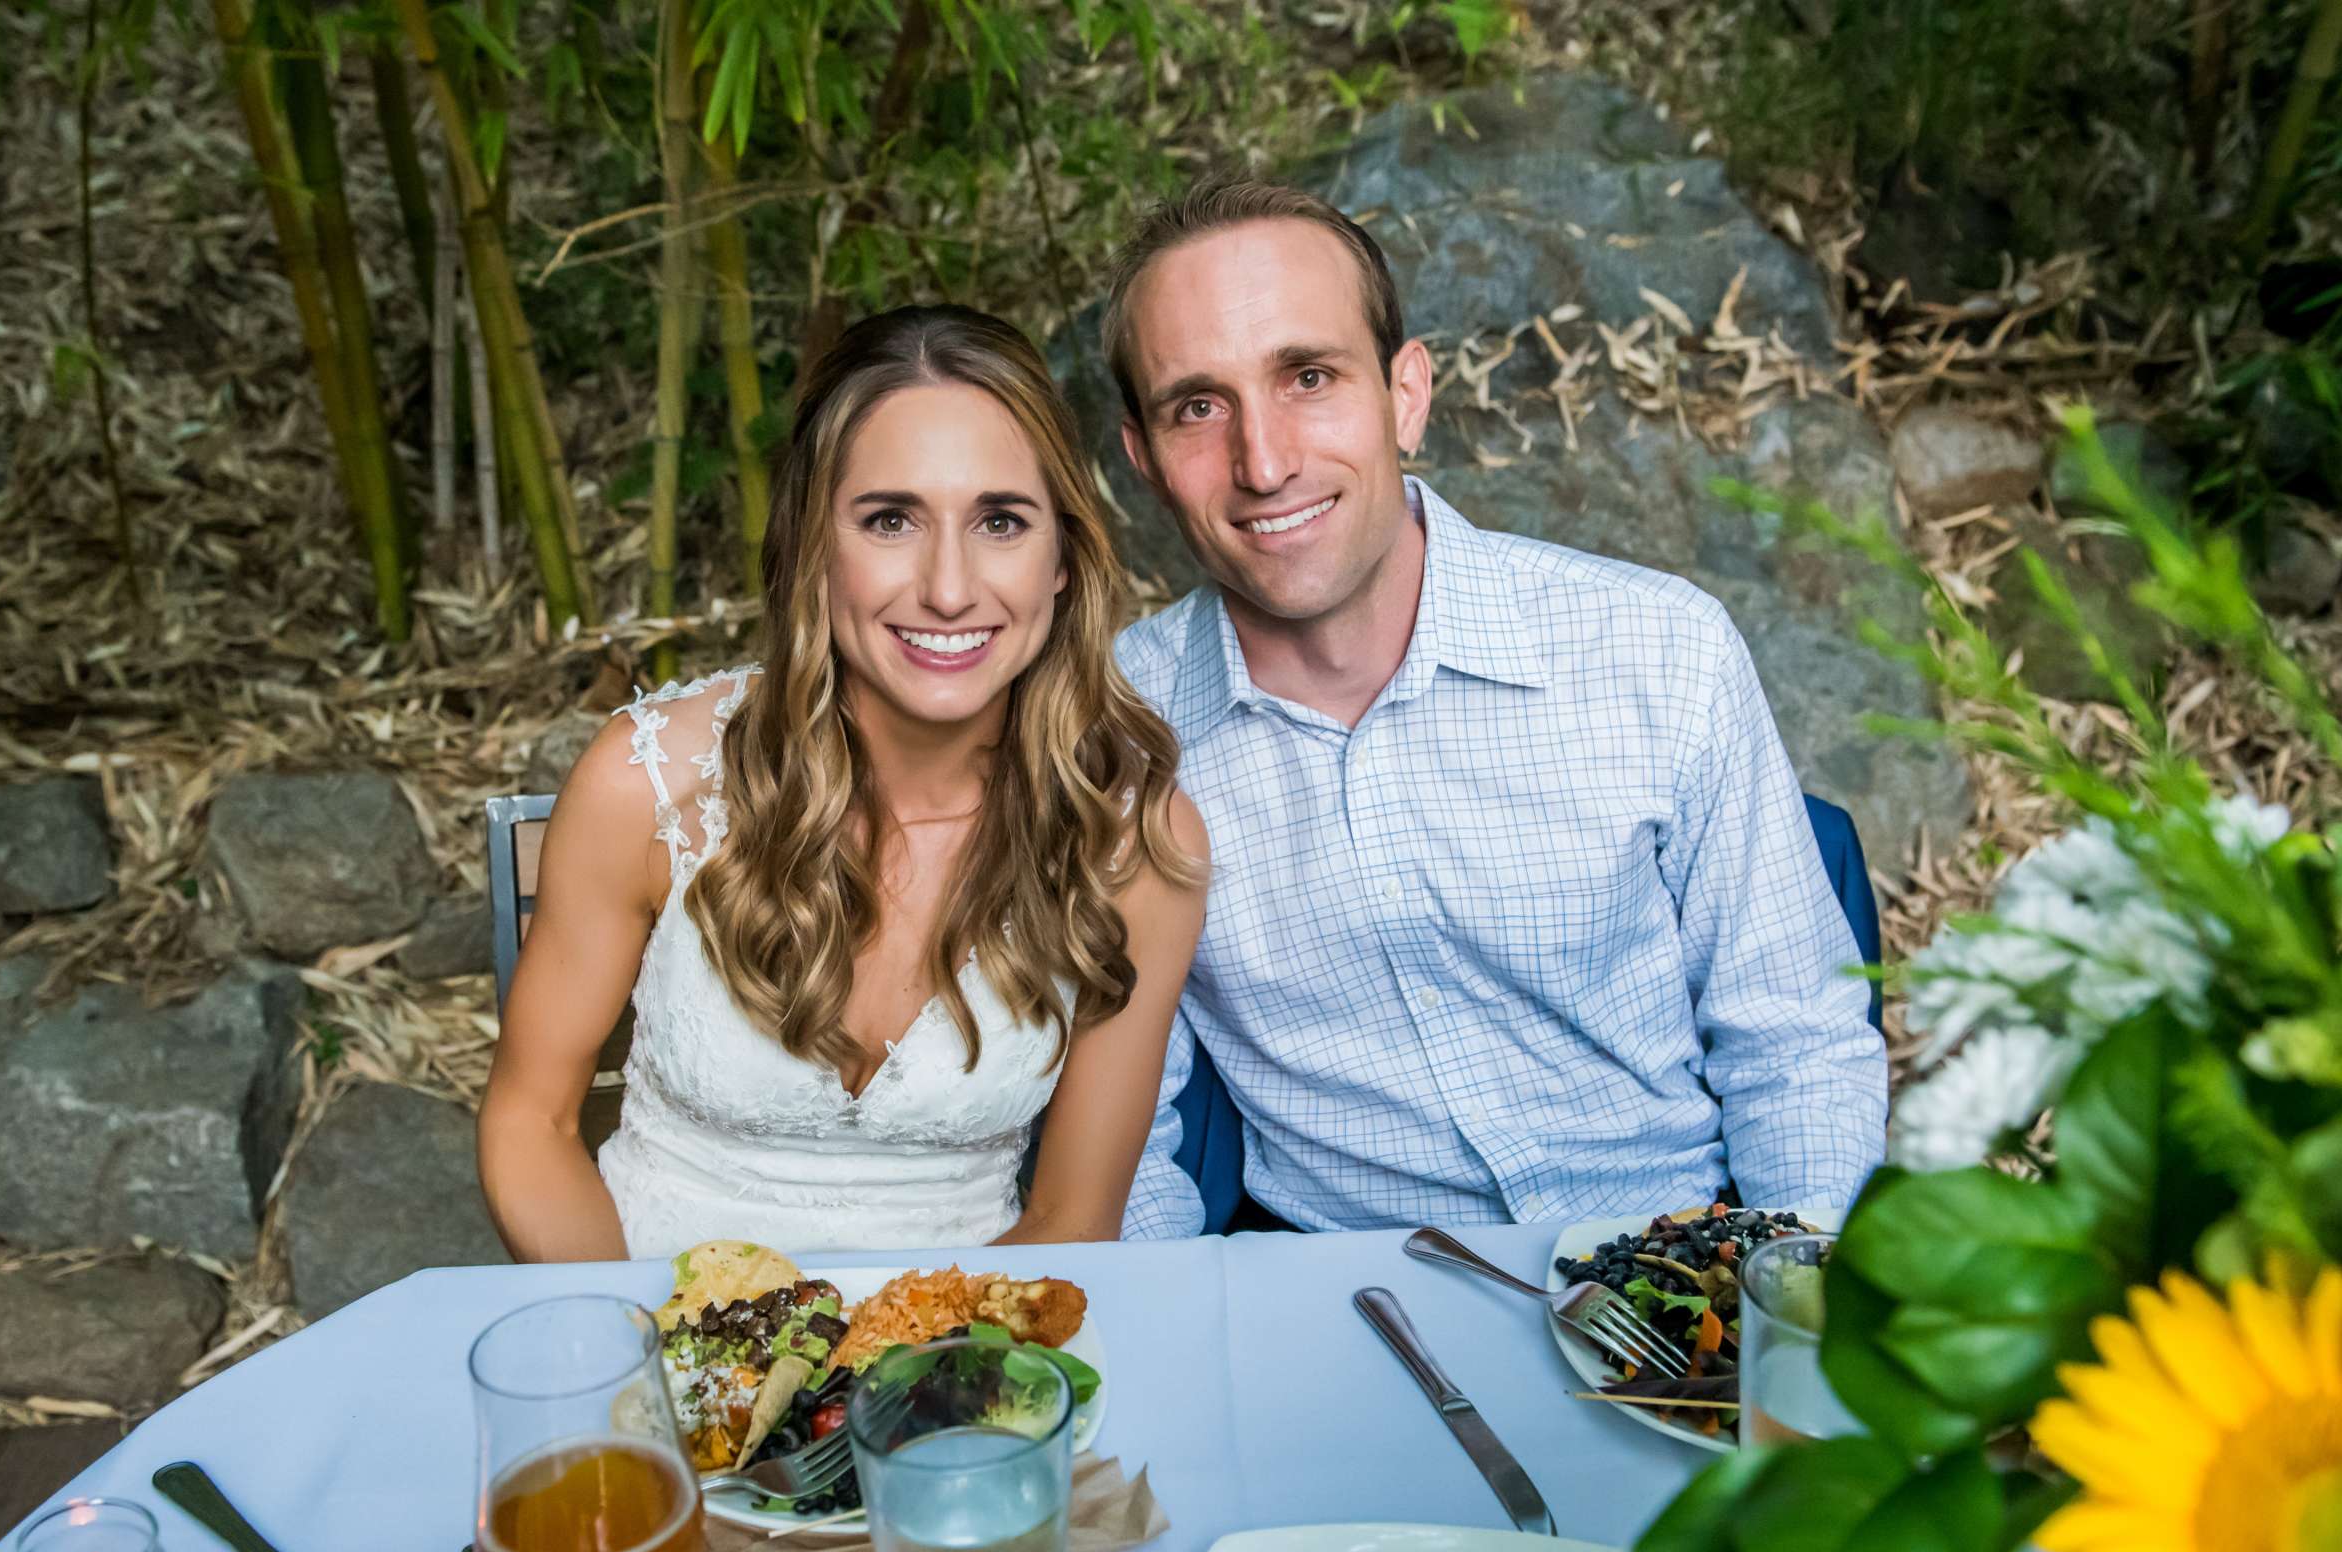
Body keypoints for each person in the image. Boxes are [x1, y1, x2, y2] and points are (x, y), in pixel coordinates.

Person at [1102, 178, 1887, 1238]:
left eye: (1309, 376)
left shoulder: (1659, 653)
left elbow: (1798, 1050)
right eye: (1199, 405)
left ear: (1406, 394)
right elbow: (1130, 1144)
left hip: (1685, 1273)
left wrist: (1787, 1324)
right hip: (1350, 1305)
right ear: (1143, 458)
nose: (1265, 459)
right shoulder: (1110, 733)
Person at [479, 305, 1208, 1261]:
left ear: (1064, 558)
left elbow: (1072, 1222)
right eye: (890, 519)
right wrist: (639, 1362)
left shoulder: (1133, 845)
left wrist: (908, 1393)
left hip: (959, 1363)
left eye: (1000, 520)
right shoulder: (647, 785)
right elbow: (531, 1126)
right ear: (815, 546)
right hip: (648, 1341)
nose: (949, 588)